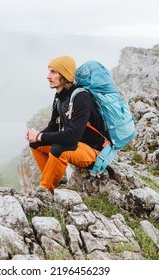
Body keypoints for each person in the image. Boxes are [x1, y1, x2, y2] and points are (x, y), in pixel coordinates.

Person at [25, 55, 110, 194]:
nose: (48, 76)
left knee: (59, 149)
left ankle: (45, 192)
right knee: (36, 144)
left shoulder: (81, 98)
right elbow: (53, 126)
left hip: (94, 151)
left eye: (53, 72)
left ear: (64, 75)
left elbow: (72, 137)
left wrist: (40, 136)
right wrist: (35, 137)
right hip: (77, 146)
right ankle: (53, 183)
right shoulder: (60, 96)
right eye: (49, 71)